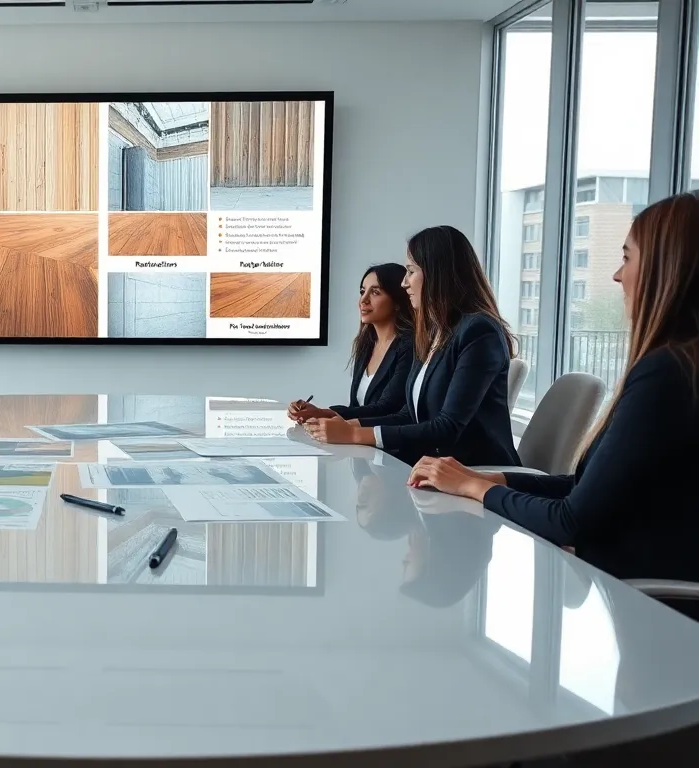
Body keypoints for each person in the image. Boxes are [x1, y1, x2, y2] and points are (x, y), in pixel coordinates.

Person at [408, 193, 699, 585]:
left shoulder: (665, 375)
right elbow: (585, 488)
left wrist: (472, 485)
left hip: (641, 605)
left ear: (667, 270)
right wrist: (498, 480)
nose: (616, 275)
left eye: (627, 258)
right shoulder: (677, 368)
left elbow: (570, 521)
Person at [303, 226, 519, 468]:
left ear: (437, 274)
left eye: (411, 271)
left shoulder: (479, 331)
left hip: (475, 472)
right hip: (432, 467)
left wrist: (354, 434)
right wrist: (345, 423)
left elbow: (447, 428)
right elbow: (408, 415)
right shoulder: (433, 332)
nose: (404, 283)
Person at [288, 263, 415, 423]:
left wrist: (323, 413)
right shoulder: (366, 344)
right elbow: (356, 407)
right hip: (362, 445)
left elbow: (387, 408)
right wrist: (314, 413)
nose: (363, 300)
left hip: (388, 445)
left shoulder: (409, 346)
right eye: (362, 291)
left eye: (375, 292)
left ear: (397, 301)